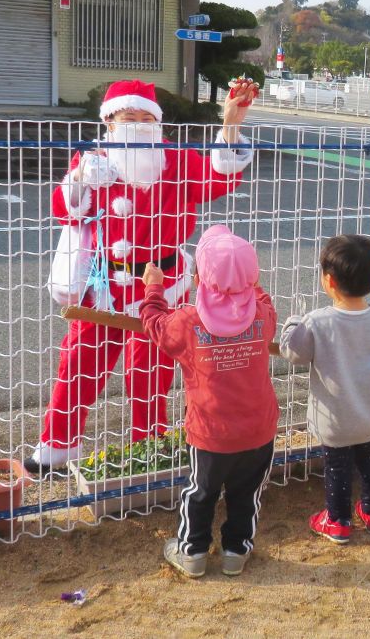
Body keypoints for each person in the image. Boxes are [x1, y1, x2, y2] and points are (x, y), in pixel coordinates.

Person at [26, 79, 257, 473]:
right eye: (127, 118)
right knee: (79, 363)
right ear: (109, 123)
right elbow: (65, 211)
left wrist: (230, 123)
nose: (137, 125)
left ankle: (150, 447)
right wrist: (80, 179)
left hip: (162, 286)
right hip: (104, 286)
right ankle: (57, 446)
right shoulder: (96, 159)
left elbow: (219, 179)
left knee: (151, 372)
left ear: (158, 123)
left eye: (145, 118)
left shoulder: (176, 159)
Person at [139, 225, 277, 578]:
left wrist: (153, 288)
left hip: (211, 432)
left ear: (198, 276)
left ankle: (193, 552)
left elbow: (155, 325)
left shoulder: (189, 321)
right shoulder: (262, 316)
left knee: (200, 492)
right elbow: (264, 300)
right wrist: (250, 282)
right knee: (246, 494)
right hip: (259, 430)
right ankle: (235, 552)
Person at [279, 235, 370, 545]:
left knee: (338, 470)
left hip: (335, 420)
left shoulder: (317, 322)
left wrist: (291, 323)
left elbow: (294, 353)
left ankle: (338, 520)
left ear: (329, 281)